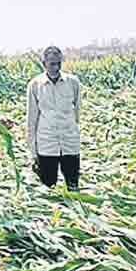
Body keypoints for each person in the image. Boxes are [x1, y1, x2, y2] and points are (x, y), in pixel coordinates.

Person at [27, 46, 83, 190]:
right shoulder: (35, 85)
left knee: (73, 185)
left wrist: (74, 132)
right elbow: (32, 120)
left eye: (59, 63)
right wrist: (33, 152)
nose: (56, 67)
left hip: (69, 142)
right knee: (48, 188)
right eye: (52, 63)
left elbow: (76, 112)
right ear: (43, 63)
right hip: (47, 144)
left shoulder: (73, 82)